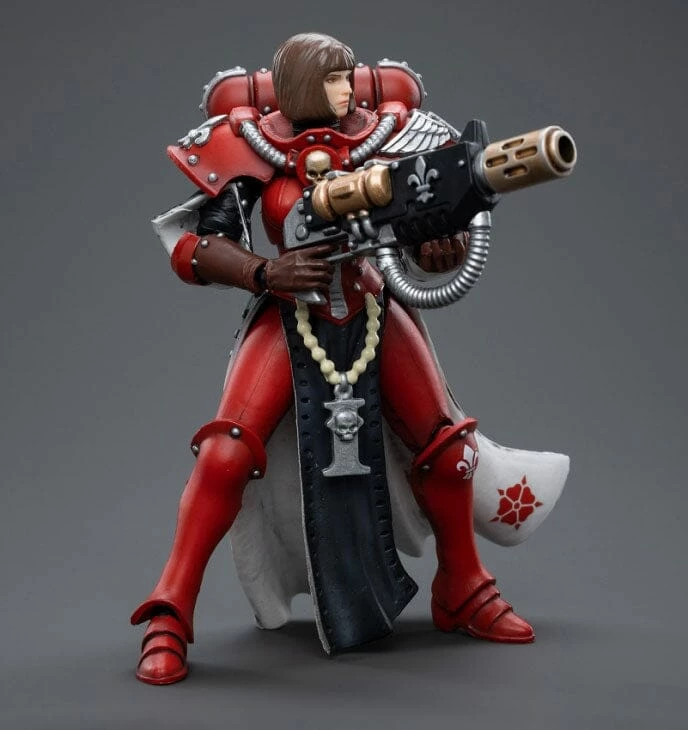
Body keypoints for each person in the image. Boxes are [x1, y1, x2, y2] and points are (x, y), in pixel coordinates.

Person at [131, 32, 568, 685]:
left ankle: (464, 585)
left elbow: (419, 229)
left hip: (368, 302)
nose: (348, 89)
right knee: (224, 452)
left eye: (349, 78)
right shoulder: (250, 142)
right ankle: (170, 610)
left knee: (448, 447)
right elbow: (194, 246)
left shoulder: (386, 134)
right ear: (300, 87)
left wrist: (436, 250)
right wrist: (264, 271)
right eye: (332, 80)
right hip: (290, 311)